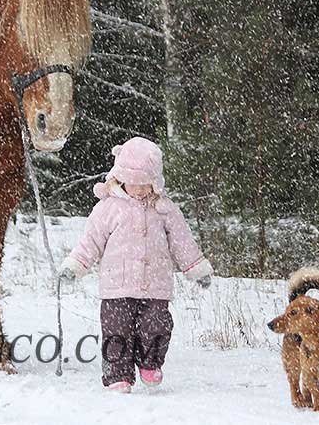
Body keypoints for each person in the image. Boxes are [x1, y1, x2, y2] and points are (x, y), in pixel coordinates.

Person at [58, 137, 213, 393]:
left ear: (155, 181)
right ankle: (118, 374)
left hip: (156, 286)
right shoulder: (108, 208)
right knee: (117, 332)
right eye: (134, 184)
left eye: (146, 184)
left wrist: (196, 268)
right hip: (117, 286)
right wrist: (76, 265)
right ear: (120, 178)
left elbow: (182, 242)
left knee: (158, 325)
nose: (140, 190)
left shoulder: (165, 209)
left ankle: (150, 363)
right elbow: (91, 241)